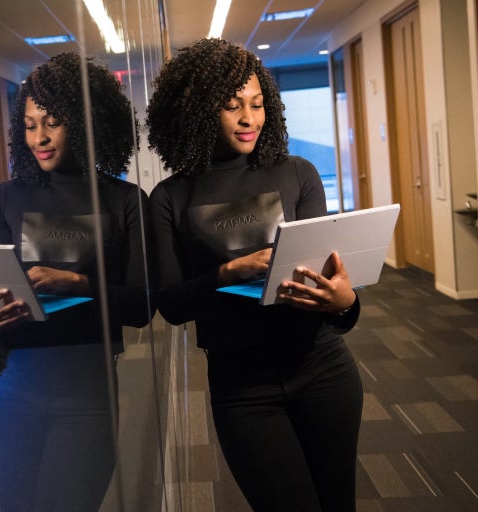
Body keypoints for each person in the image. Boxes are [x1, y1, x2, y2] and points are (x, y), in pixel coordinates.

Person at [145, 38, 362, 512]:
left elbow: (333, 300)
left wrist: (345, 301)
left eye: (258, 104)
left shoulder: (299, 173)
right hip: (242, 388)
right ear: (200, 111)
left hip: (324, 369)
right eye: (232, 106)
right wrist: (227, 272)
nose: (249, 118)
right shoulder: (169, 197)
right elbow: (171, 304)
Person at [0, 51, 151, 511]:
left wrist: (76, 282)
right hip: (8, 392)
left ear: (86, 124)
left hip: (87, 396)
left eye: (52, 123)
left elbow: (142, 306)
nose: (39, 138)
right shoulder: (4, 199)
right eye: (29, 125)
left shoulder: (126, 201)